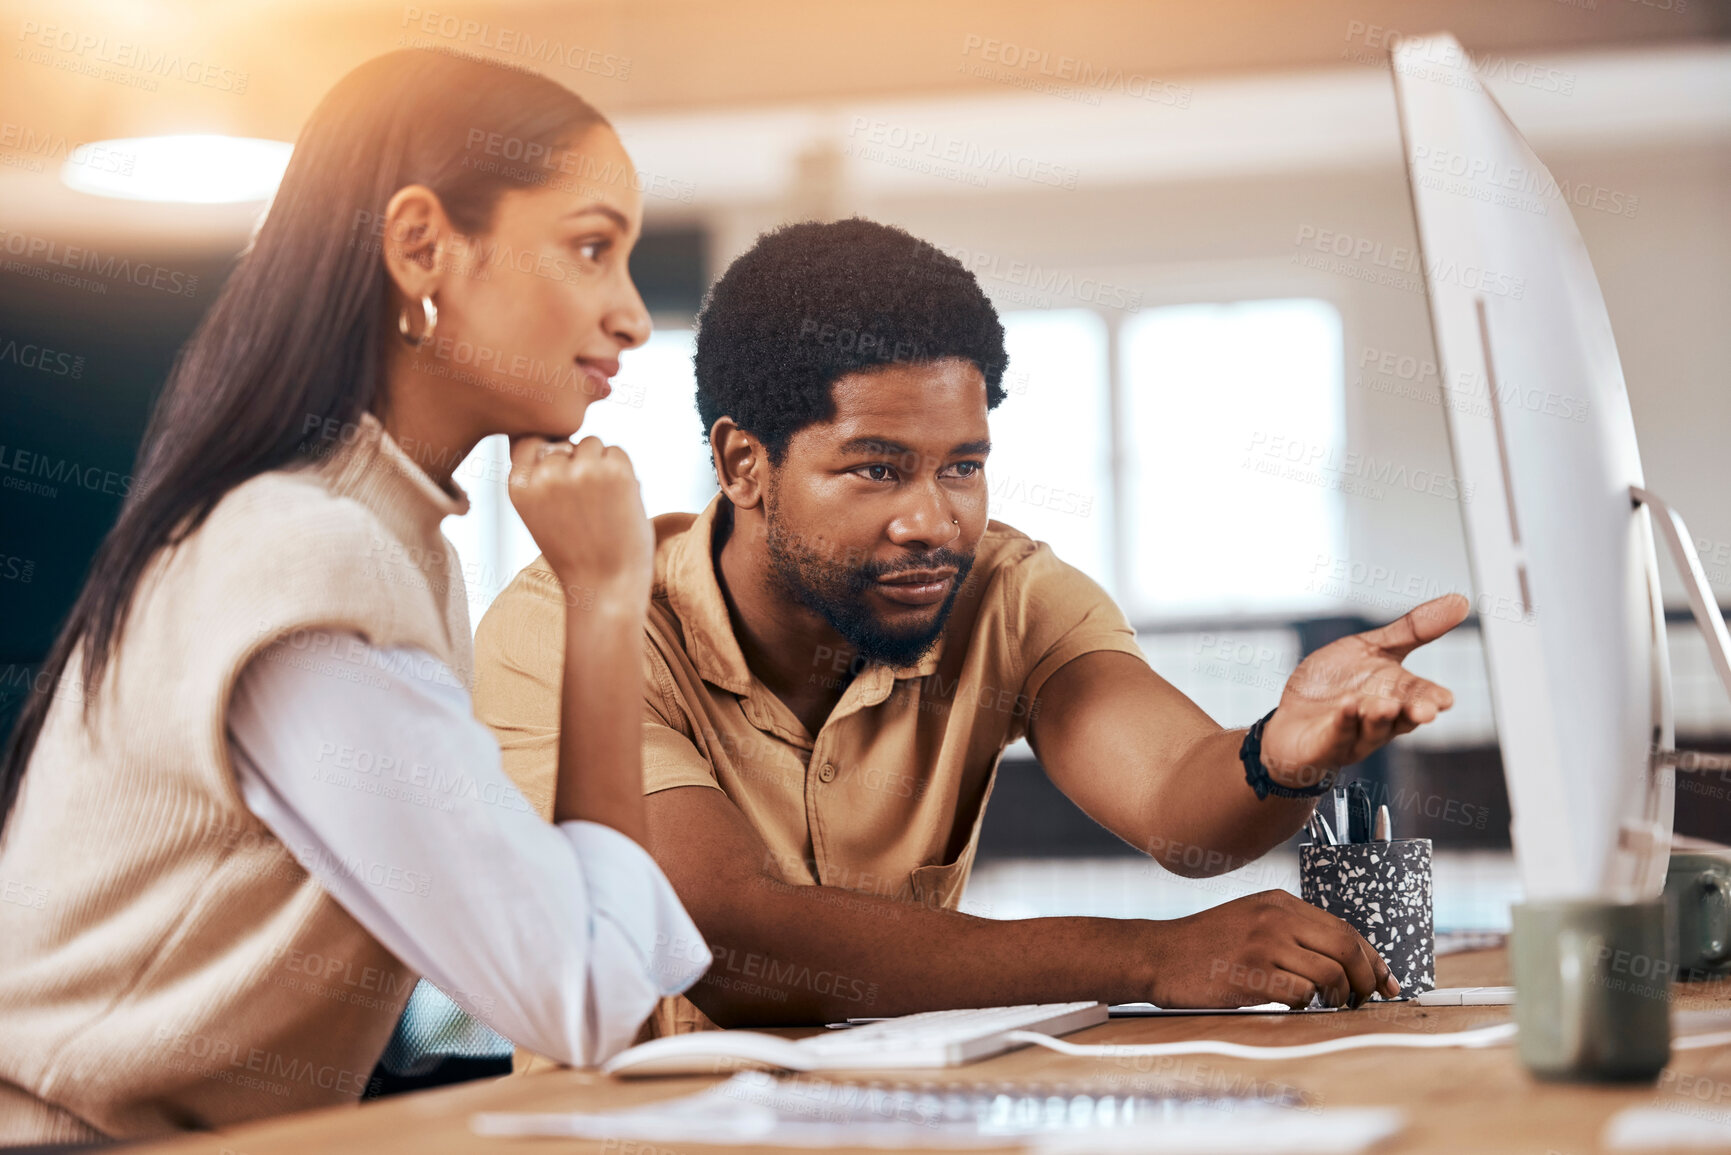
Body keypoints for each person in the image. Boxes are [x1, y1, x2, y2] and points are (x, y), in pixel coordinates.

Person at [473, 217, 1467, 1038]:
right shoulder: (578, 617)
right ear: (742, 465)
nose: (933, 521)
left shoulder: (1006, 589)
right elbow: (731, 943)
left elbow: (1178, 810)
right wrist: (1152, 955)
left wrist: (1276, 756)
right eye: (876, 468)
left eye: (961, 466)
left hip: (906, 1120)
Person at [0, 48, 708, 1145]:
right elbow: (584, 994)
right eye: (588, 248)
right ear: (422, 246)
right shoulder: (306, 554)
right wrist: (607, 598)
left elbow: (578, 957)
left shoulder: (387, 542)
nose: (629, 315)